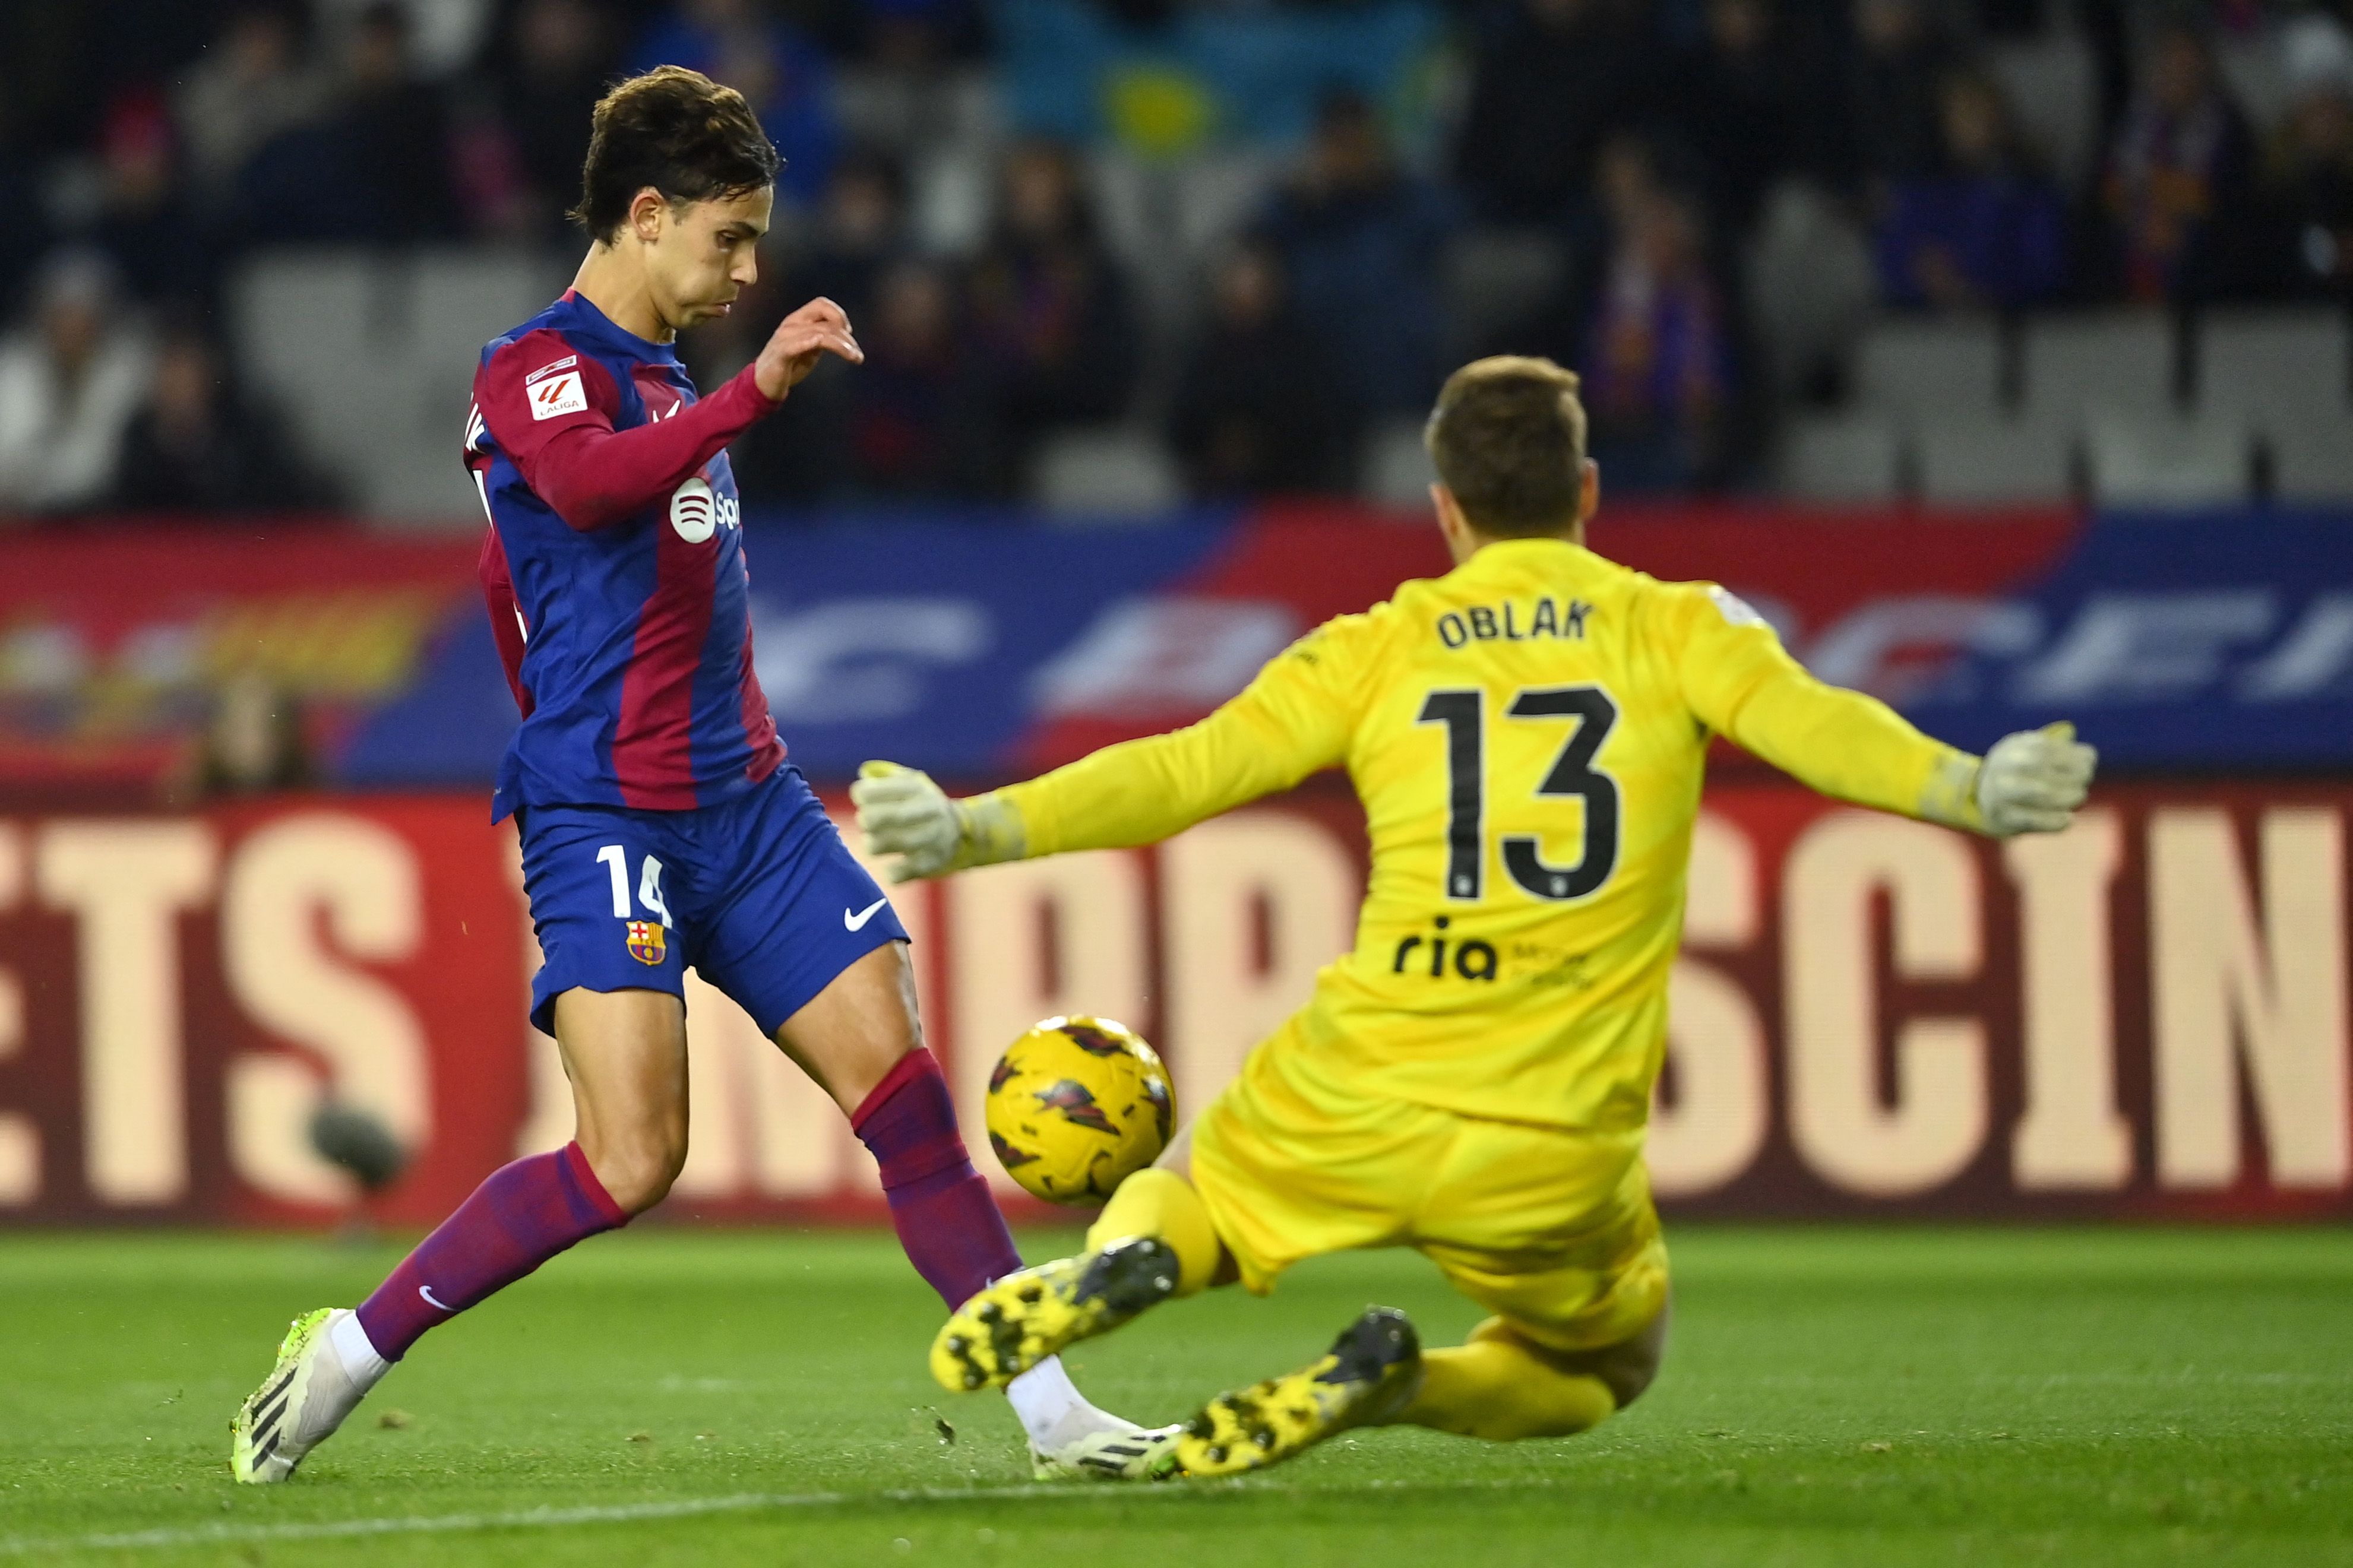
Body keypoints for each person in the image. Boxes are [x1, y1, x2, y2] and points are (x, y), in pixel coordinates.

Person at [855, 356, 2097, 1478]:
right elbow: (1825, 729)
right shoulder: (1677, 627)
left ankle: (1140, 1262)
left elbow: (1182, 769)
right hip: (1552, 1129)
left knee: (1193, 1186)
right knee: (1599, 1367)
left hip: (1361, 1080)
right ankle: (1397, 1385)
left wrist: (976, 827)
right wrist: (1971, 787)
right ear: (1588, 492)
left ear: (1445, 505)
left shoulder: (1379, 645)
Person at [228, 66, 1172, 1487]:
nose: (747, 266)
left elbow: (517, 570)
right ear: (648, 214)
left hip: (750, 804)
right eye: (730, 237)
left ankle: (1055, 1421)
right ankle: (350, 1349)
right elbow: (598, 487)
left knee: (903, 1094)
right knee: (631, 1159)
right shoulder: (533, 366)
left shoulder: (671, 380)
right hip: (606, 812)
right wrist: (751, 399)